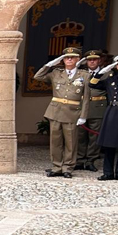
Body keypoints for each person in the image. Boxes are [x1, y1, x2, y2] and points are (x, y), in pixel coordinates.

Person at [34, 47, 89, 178]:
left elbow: (86, 98)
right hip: (55, 112)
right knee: (55, 141)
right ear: (62, 60)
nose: (69, 59)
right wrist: (49, 64)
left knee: (71, 142)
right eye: (66, 57)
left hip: (72, 112)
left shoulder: (84, 75)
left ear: (77, 59)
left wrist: (83, 116)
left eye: (72, 57)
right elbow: (38, 76)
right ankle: (57, 166)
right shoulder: (56, 73)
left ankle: (68, 167)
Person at [88, 56, 118, 180]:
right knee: (109, 144)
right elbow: (92, 84)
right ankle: (108, 172)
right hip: (112, 112)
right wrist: (101, 72)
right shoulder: (110, 78)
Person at [77, 50, 105, 172]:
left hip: (98, 107)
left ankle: (91, 160)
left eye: (94, 59)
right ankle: (79, 159)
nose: (92, 61)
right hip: (82, 107)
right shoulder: (80, 73)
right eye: (89, 59)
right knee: (80, 135)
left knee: (94, 136)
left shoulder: (106, 74)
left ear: (99, 60)